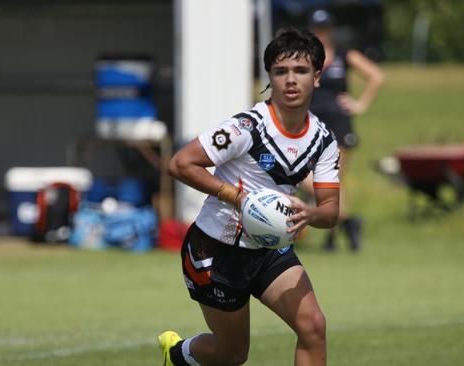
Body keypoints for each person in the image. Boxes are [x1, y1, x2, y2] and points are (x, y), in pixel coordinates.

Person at [160, 27, 339, 366]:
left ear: (317, 77)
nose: (290, 80)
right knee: (232, 354)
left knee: (313, 326)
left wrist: (309, 214)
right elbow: (181, 164)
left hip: (269, 248)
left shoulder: (323, 141)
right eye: (280, 71)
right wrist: (239, 198)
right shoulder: (247, 127)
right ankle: (178, 355)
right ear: (269, 76)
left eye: (300, 71)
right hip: (215, 251)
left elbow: (330, 212)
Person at [306, 9, 384, 251]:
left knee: (333, 178)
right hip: (311, 126)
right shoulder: (305, 57)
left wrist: (360, 104)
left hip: (339, 125)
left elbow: (376, 76)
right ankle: (348, 222)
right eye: (316, 29)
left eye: (324, 29)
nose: (320, 34)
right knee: (311, 178)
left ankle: (332, 236)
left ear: (330, 31)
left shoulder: (343, 55)